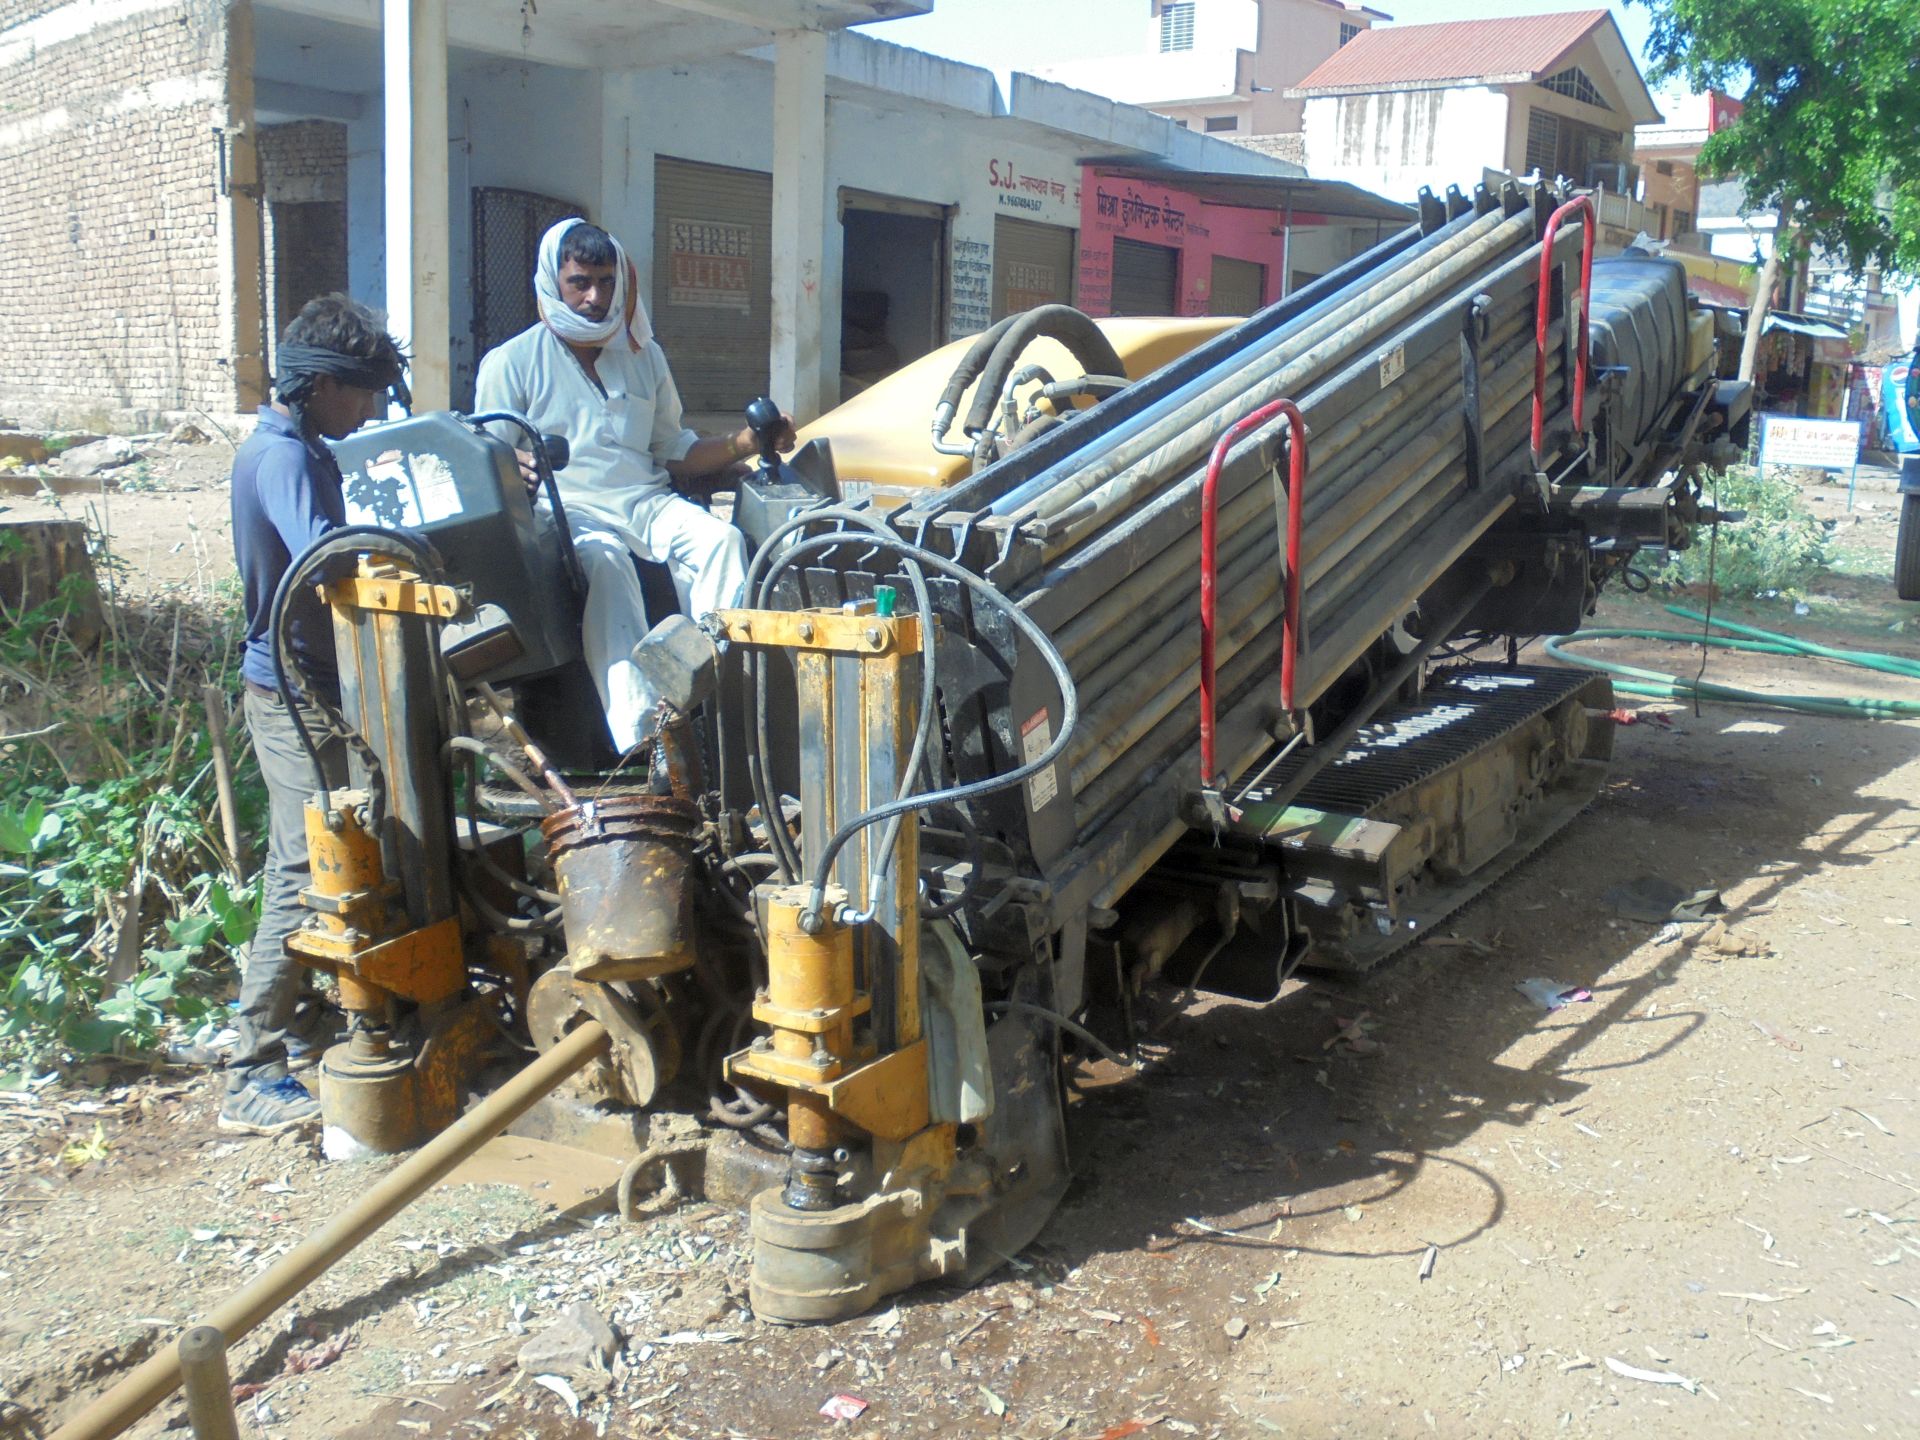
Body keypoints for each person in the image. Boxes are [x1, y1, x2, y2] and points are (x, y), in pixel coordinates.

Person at [474, 218, 793, 753]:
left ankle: (713, 694)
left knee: (722, 542)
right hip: (568, 514)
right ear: (554, 282)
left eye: (604, 281)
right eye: (580, 282)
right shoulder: (511, 362)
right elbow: (488, 457)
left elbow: (676, 449)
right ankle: (643, 735)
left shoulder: (644, 355)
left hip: (645, 503)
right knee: (607, 563)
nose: (595, 297)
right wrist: (516, 464)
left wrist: (746, 442)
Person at [223, 294, 407, 1135]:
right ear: (323, 385)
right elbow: (326, 560)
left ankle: (309, 1019)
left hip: (304, 688)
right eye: (361, 393)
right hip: (292, 689)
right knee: (305, 870)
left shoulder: (291, 445)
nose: (368, 409)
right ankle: (250, 1067)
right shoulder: (286, 459)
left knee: (323, 852)